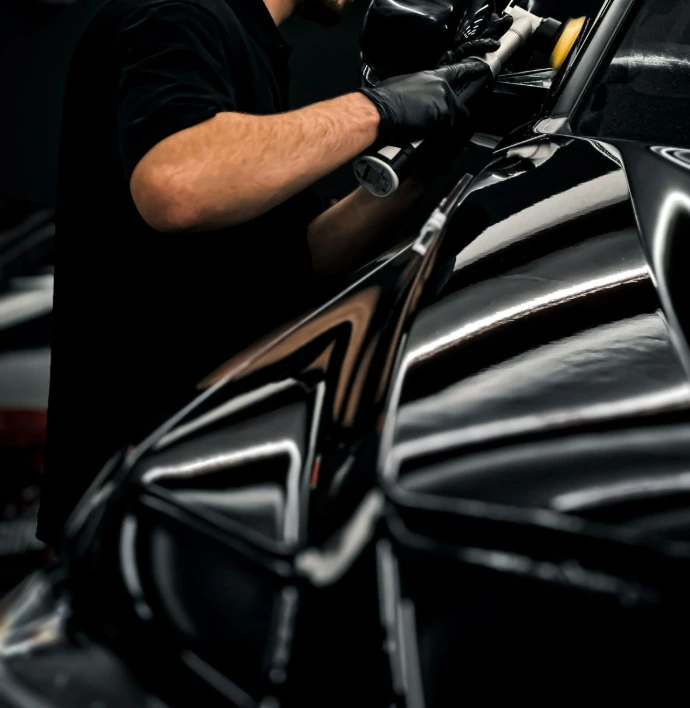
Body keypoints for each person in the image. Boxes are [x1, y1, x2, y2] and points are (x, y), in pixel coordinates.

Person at [37, 0, 499, 545]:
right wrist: (377, 110)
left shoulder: (247, 41)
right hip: (139, 494)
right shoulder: (176, 12)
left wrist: (433, 157)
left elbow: (298, 262)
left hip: (204, 481)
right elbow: (177, 184)